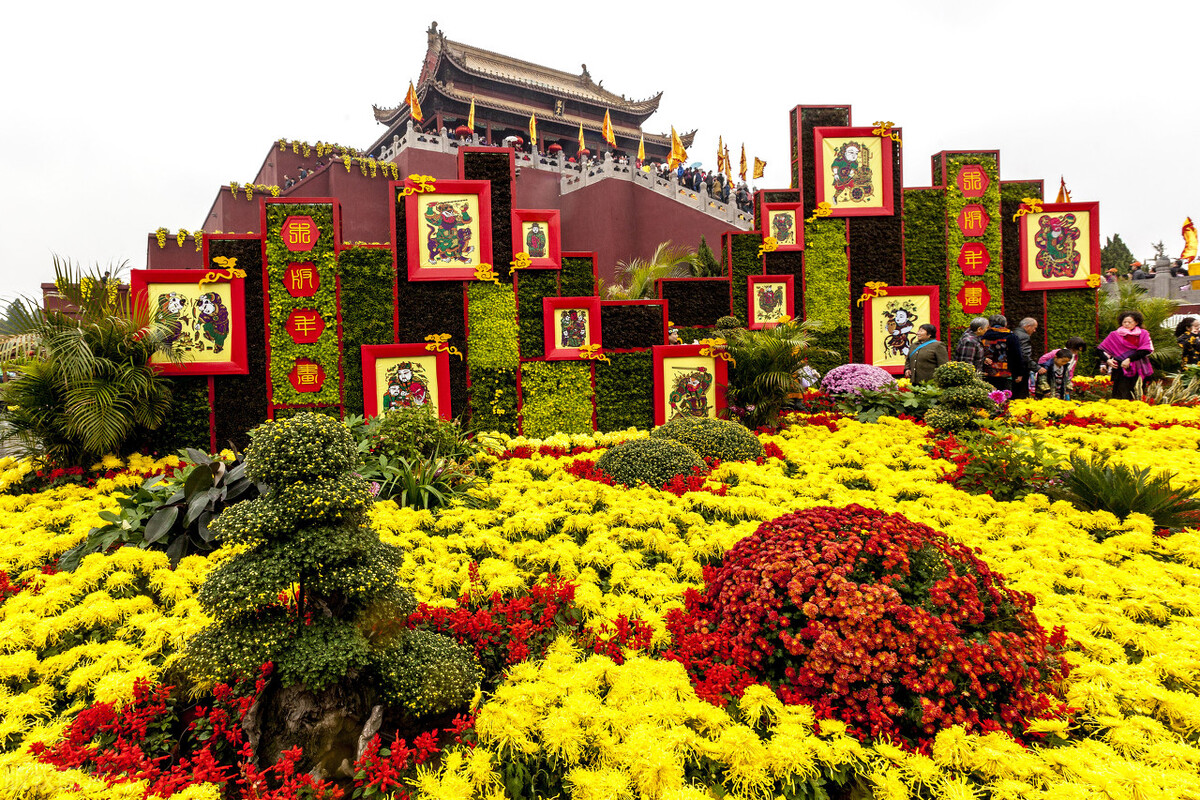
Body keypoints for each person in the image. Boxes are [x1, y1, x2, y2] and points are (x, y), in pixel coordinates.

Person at [1097, 310, 1154, 400]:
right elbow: (1101, 350)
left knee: (1136, 394)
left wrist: (1129, 359)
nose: (1127, 324)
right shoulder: (1114, 335)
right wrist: (1106, 361)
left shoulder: (1143, 334)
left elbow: (1146, 350)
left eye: (1129, 322)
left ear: (1136, 322)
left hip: (1138, 368)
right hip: (1120, 369)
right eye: (1124, 322)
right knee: (1120, 394)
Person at [981, 314, 1027, 396]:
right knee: (1004, 397)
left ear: (990, 324)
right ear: (1005, 324)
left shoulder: (983, 335)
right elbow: (1017, 355)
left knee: (989, 396)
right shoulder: (1011, 336)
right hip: (1006, 373)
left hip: (987, 372)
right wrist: (1019, 373)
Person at [1015, 317, 1038, 389]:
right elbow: (1024, 355)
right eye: (1034, 328)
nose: (1034, 331)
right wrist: (1037, 367)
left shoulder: (1014, 332)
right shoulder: (1024, 336)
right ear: (1028, 326)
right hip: (1021, 371)